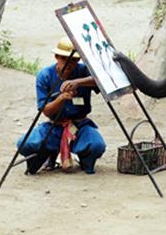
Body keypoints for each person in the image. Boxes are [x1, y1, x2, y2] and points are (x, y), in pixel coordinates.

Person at [17, 37, 106, 175]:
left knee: (96, 145)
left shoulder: (83, 72)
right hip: (55, 125)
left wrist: (79, 82)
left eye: (73, 60)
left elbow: (102, 80)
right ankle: (47, 155)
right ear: (56, 57)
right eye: (64, 59)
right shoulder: (45, 75)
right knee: (25, 144)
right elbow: (45, 110)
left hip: (79, 125)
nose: (69, 64)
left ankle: (85, 160)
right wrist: (61, 99)